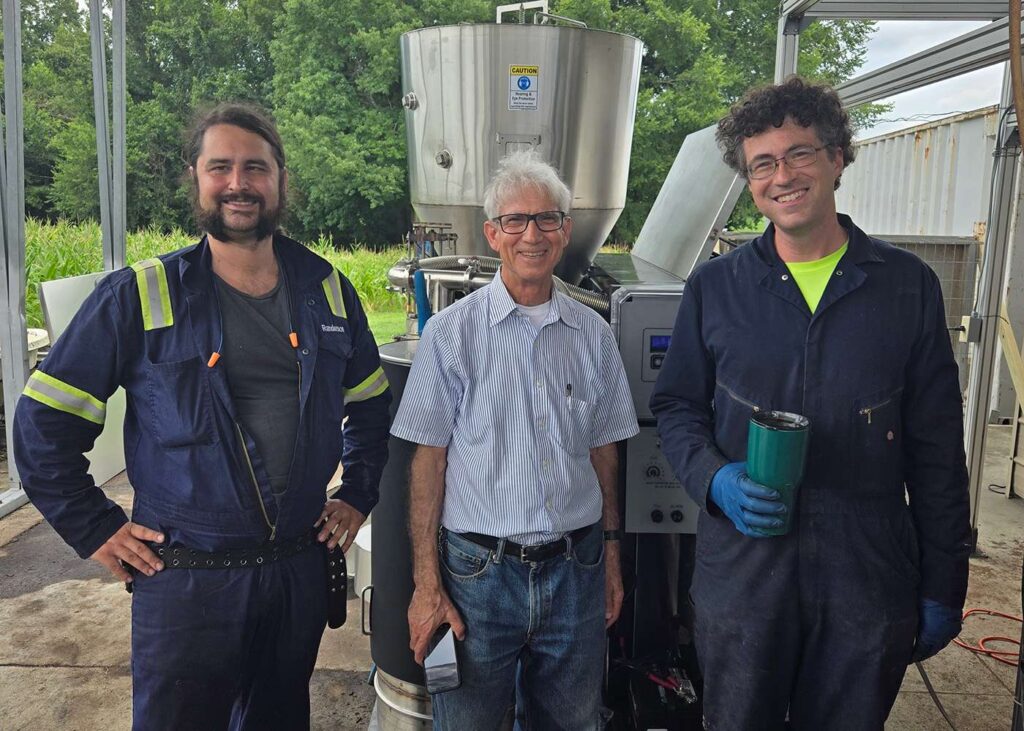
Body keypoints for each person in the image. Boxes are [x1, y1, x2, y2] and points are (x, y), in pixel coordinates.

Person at [13, 102, 391, 730]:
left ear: (280, 180)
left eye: (255, 167)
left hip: (294, 569)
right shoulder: (140, 293)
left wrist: (356, 493)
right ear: (196, 177)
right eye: (221, 167)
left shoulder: (326, 289)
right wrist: (95, 526)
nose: (238, 183)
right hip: (187, 578)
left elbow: (372, 406)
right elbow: (43, 426)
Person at [649, 77, 971, 730]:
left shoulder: (906, 288)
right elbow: (678, 408)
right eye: (762, 163)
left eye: (799, 153)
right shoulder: (717, 288)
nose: (782, 176)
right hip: (744, 581)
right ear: (748, 179)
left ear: (837, 157)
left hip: (865, 577)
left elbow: (938, 451)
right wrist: (716, 478)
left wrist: (944, 582)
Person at [390, 151, 639, 729]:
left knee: (572, 723)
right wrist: (426, 584)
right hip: (478, 576)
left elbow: (605, 452)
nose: (532, 234)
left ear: (566, 231)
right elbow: (428, 463)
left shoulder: (595, 335)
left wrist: (612, 559)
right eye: (516, 221)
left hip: (575, 569)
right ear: (492, 234)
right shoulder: (452, 334)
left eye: (547, 219)